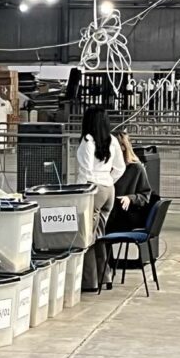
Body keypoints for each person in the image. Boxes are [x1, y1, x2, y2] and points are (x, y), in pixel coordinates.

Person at [76, 107, 120, 294]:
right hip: (109, 189)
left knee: (87, 236)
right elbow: (120, 168)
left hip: (93, 189)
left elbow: (85, 172)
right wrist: (108, 180)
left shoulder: (88, 141)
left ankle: (89, 281)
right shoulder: (113, 140)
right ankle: (105, 276)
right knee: (100, 234)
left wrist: (79, 193)